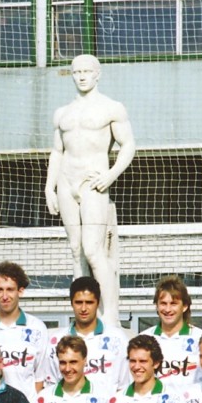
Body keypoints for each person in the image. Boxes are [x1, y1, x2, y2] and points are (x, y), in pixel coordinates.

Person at [45, 54, 135, 328]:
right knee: (76, 250)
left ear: (98, 74)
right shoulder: (62, 113)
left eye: (87, 71)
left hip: (93, 181)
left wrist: (111, 174)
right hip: (66, 181)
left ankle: (110, 315)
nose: (82, 76)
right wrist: (49, 187)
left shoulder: (112, 108)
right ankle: (84, 315)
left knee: (93, 249)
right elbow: (57, 151)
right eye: (77, 72)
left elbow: (128, 145)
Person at [0, 262, 51, 403]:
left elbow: (39, 378)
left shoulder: (37, 328)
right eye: (0, 290)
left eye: (10, 289)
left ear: (20, 291)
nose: (5, 296)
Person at [47, 276, 130, 392]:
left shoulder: (118, 338)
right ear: (71, 303)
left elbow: (124, 386)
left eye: (89, 302)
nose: (83, 308)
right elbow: (51, 385)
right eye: (78, 302)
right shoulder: (56, 340)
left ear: (98, 303)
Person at [139, 275, 202, 390]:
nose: (168, 309)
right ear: (157, 306)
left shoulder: (201, 338)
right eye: (163, 303)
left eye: (173, 304)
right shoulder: (143, 339)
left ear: (184, 306)